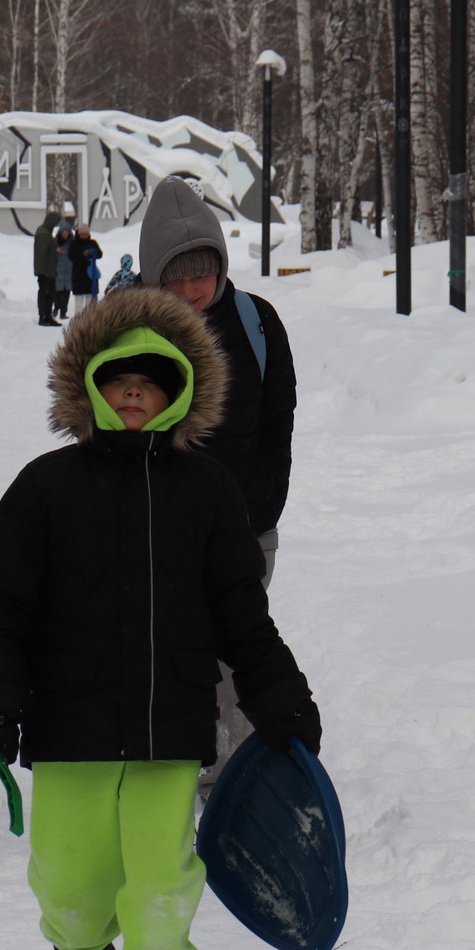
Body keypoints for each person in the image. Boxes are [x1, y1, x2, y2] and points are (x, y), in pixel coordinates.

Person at [0, 287, 320, 950]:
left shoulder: (207, 491)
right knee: (69, 877)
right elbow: (1, 609)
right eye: (119, 385)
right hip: (69, 726)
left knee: (161, 880)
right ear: (90, 390)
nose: (132, 399)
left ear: (178, 395)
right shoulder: (45, 488)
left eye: (149, 388)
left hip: (169, 729)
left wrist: (279, 697)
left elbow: (240, 614)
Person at [138, 176, 299, 767]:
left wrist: (266, 501)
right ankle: (183, 754)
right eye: (176, 277)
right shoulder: (132, 331)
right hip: (156, 524)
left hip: (244, 522)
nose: (191, 289)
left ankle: (228, 762)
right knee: (173, 646)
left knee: (236, 641)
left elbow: (278, 415)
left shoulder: (257, 322)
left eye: (201, 273)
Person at [32, 205, 61, 326]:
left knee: (50, 293)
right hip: (45, 270)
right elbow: (42, 253)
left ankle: (47, 316)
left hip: (49, 270)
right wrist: (42, 271)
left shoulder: (46, 232)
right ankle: (43, 316)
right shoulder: (43, 233)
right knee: (45, 293)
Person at [67, 221, 102, 307]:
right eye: (82, 234)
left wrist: (94, 252)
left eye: (86, 234)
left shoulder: (93, 243)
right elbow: (71, 256)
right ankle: (79, 319)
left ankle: (90, 319)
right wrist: (83, 254)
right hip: (78, 277)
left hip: (90, 277)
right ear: (79, 234)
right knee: (78, 304)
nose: (84, 236)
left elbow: (100, 254)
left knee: (90, 303)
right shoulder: (74, 244)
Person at [52, 226, 73, 322]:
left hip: (69, 271)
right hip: (58, 271)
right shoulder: (55, 243)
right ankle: (56, 308)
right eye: (63, 233)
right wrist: (55, 251)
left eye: (66, 233)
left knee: (66, 293)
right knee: (58, 292)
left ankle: (63, 312)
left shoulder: (71, 243)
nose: (65, 235)